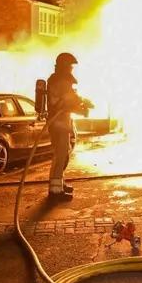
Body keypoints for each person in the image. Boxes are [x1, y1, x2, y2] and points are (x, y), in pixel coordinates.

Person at [46, 52, 90, 200]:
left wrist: (81, 102)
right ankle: (56, 191)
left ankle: (59, 184)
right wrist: (83, 107)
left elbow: (69, 99)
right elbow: (69, 101)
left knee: (61, 155)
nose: (72, 69)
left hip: (59, 123)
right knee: (60, 156)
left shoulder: (56, 79)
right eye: (70, 66)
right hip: (59, 124)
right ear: (65, 66)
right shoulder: (62, 81)